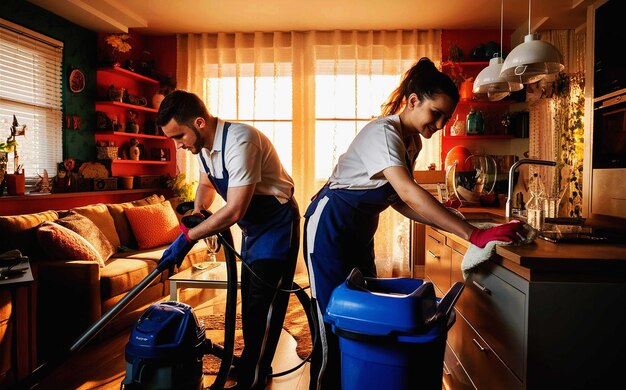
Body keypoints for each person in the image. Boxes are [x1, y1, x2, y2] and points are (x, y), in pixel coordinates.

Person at [303, 57, 525, 389]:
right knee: (332, 319)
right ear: (412, 101)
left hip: (359, 232)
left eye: (445, 118)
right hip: (330, 227)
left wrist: (452, 222)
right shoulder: (384, 132)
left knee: (362, 314)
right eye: (435, 114)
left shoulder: (412, 142)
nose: (439, 125)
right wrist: (472, 233)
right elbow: (408, 192)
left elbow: (396, 200)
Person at [157, 90, 300, 390]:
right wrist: (198, 211)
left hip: (276, 224)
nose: (178, 145)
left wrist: (188, 237)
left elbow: (234, 209)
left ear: (198, 122)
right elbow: (207, 184)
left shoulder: (240, 141)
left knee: (263, 308)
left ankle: (253, 378)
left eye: (179, 136)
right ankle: (253, 367)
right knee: (249, 304)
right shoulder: (204, 148)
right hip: (252, 228)